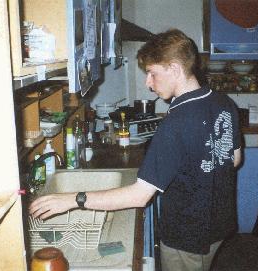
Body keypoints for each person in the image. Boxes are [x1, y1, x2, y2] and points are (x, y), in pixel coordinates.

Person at [29, 28, 242, 271]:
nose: (148, 83)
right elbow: (233, 158)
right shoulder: (223, 102)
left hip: (187, 236)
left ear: (174, 68)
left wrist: (73, 200)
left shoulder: (175, 123)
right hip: (219, 226)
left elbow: (139, 196)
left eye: (152, 73)